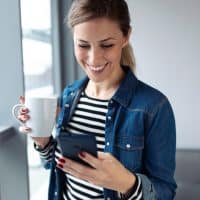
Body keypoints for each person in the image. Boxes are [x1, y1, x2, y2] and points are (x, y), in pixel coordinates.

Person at [17, 0, 177, 199]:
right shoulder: (69, 96)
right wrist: (42, 142)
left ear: (126, 36)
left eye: (107, 45)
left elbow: (165, 192)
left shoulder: (153, 107)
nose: (94, 59)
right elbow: (57, 165)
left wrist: (126, 182)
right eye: (83, 45)